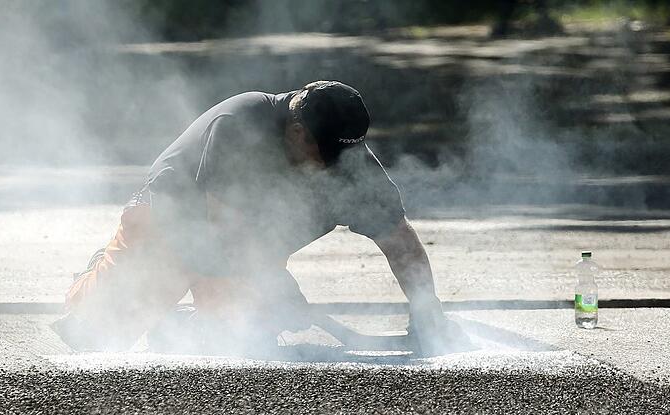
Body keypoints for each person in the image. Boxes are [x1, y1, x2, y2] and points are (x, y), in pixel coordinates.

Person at [54, 81, 466, 354]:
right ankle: (94, 282)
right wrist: (275, 286)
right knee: (96, 336)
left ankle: (182, 325)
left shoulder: (347, 160)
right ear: (297, 131)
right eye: (328, 156)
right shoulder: (241, 123)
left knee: (238, 342)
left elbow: (399, 240)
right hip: (171, 225)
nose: (338, 168)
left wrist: (428, 312)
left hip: (238, 248)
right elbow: (219, 234)